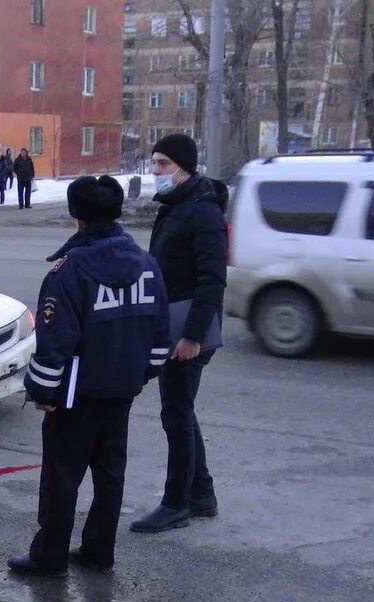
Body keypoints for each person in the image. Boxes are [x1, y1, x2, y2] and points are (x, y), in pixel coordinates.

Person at [7, 176, 171, 577]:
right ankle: (99, 551)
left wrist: (43, 391)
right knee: (110, 475)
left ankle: (50, 558)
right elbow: (161, 335)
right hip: (121, 392)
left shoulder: (69, 270)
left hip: (74, 396)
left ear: (76, 217)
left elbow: (54, 341)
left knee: (62, 478)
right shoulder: (148, 265)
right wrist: (139, 375)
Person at [130, 133, 228, 533]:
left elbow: (212, 281)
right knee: (181, 409)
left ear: (185, 167)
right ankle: (201, 495)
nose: (156, 173)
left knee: (176, 413)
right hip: (175, 323)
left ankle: (176, 504)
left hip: (189, 329)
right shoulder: (177, 205)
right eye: (154, 164)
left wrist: (192, 337)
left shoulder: (201, 211)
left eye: (164, 165)